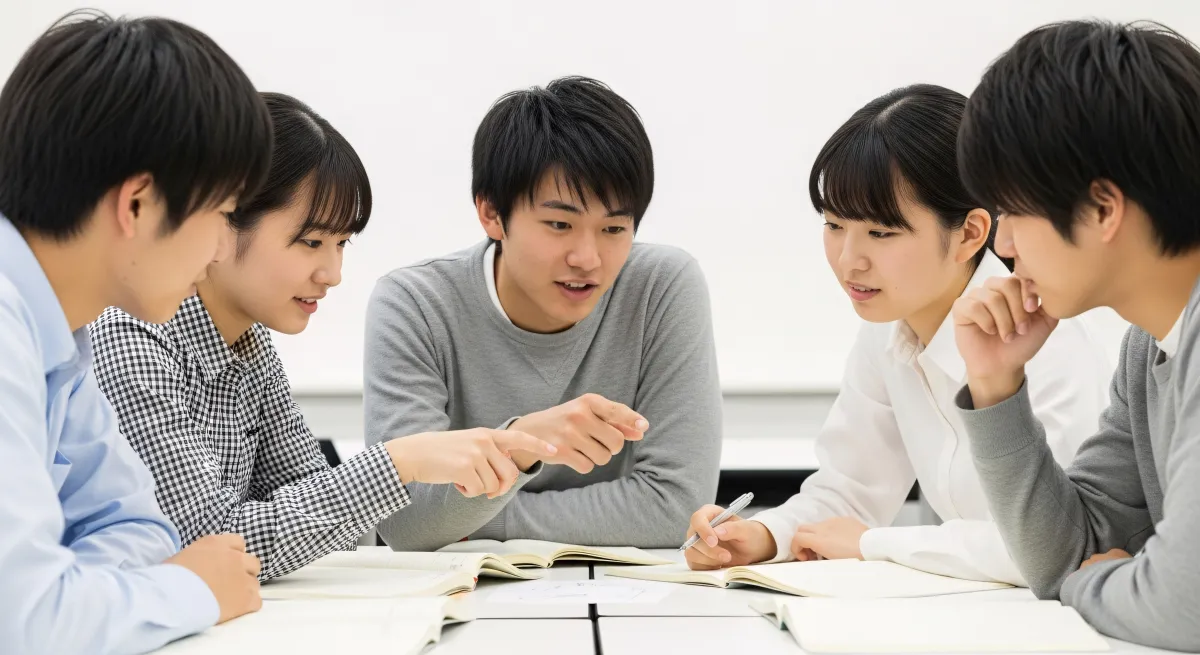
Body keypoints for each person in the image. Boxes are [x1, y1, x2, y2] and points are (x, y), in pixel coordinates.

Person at [91, 92, 556, 581]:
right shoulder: (132, 339)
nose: (332, 273)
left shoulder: (250, 346)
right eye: (311, 242)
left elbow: (318, 510)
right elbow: (210, 544)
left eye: (341, 244)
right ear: (221, 222)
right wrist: (398, 462)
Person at [682, 84, 1110, 585]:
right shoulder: (890, 327)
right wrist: (763, 536)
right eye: (834, 225)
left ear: (971, 233)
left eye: (880, 233)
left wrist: (872, 545)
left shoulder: (1048, 344)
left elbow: (1053, 546)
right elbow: (851, 490)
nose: (849, 260)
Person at [0, 11, 272, 653]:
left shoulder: (62, 332)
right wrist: (194, 591)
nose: (219, 251)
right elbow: (27, 622)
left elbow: (139, 526)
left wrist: (81, 596)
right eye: (225, 214)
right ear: (138, 204)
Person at [364, 76, 722, 550]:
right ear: (491, 213)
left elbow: (675, 509)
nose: (588, 258)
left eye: (614, 227)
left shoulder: (661, 286)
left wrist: (470, 522)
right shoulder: (414, 304)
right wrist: (519, 445)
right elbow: (405, 525)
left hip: (627, 600)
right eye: (559, 224)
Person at [951, 20, 1200, 650]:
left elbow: (1183, 603)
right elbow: (1067, 553)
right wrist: (995, 384)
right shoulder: (1151, 346)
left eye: (1013, 210)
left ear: (1102, 209)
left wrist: (1099, 580)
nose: (1002, 246)